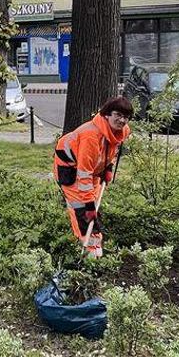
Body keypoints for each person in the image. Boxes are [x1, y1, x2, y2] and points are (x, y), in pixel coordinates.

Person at [53, 96, 134, 257]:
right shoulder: (91, 136)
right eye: (118, 115)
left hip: (94, 168)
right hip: (70, 168)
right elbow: (84, 175)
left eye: (126, 117)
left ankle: (93, 246)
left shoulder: (122, 131)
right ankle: (88, 252)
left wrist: (108, 166)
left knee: (93, 204)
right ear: (106, 115)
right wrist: (88, 206)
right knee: (82, 209)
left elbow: (111, 150)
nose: (122, 120)